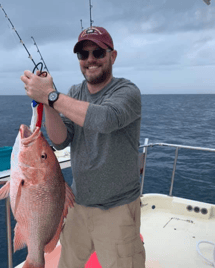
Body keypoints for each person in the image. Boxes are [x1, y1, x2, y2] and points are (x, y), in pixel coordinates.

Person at [21, 26, 145, 268]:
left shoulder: (127, 91)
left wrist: (53, 97)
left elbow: (105, 119)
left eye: (98, 52)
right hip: (78, 204)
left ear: (113, 55)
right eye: (83, 54)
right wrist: (48, 102)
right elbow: (59, 140)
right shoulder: (75, 92)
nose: (90, 60)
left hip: (117, 208)